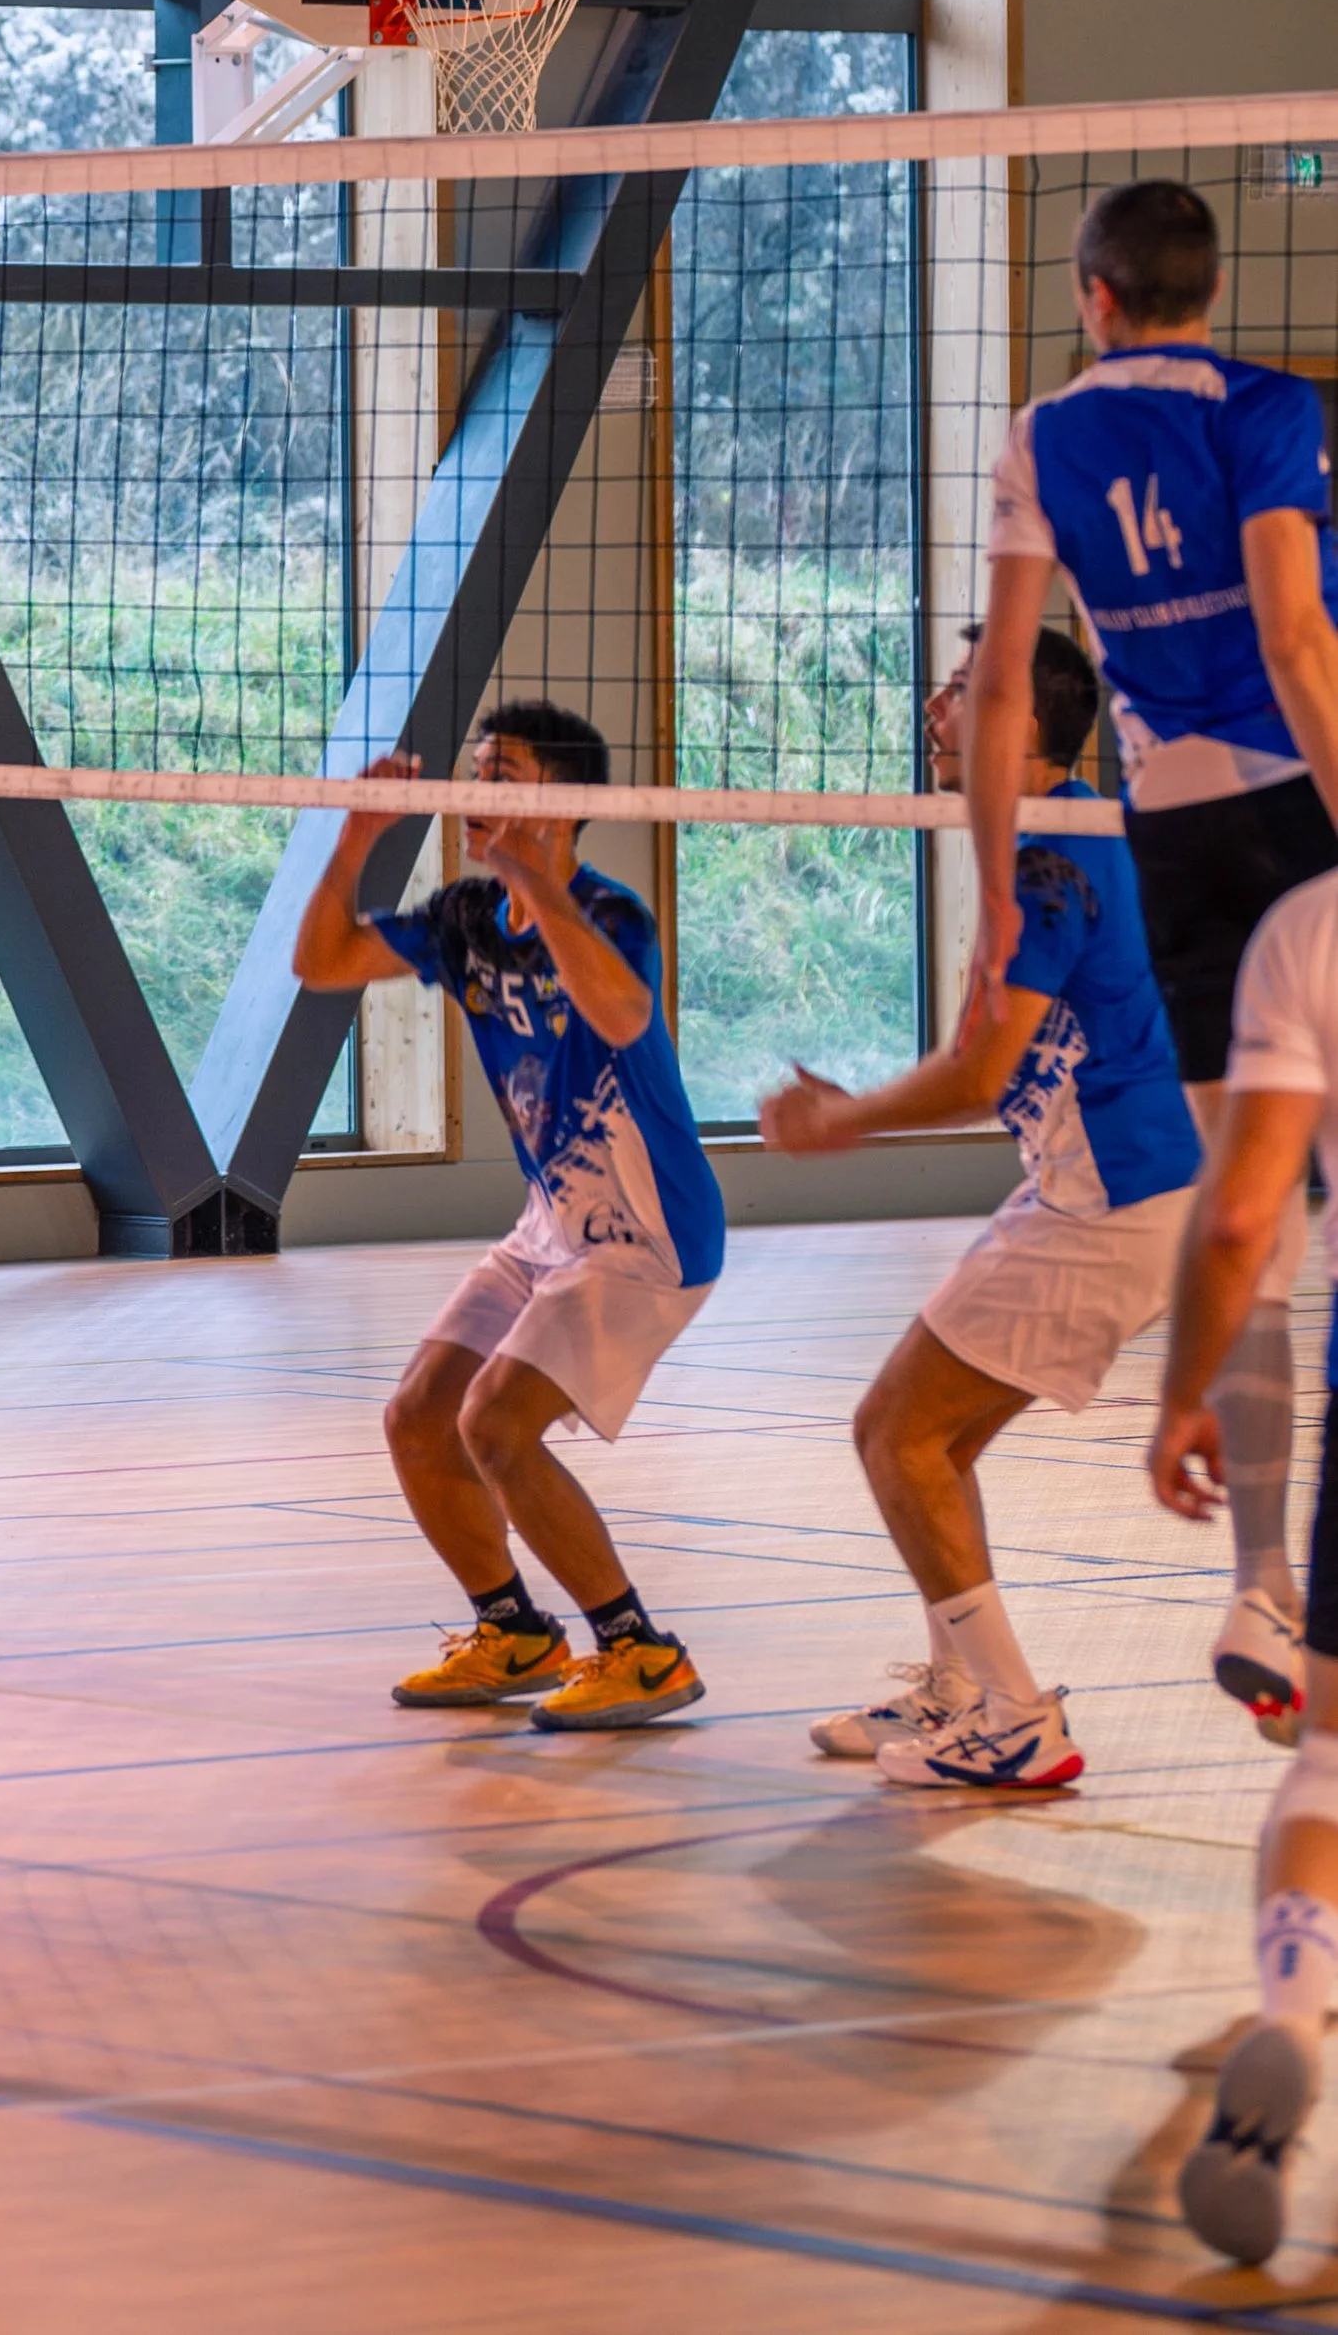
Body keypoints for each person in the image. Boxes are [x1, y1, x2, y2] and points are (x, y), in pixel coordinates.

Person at [969, 176, 1338, 1746]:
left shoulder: (1042, 435)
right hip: (1301, 806)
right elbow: (1295, 636)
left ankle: (1262, 1581)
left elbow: (1002, 687)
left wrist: (992, 900)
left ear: (1095, 295)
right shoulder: (1269, 408)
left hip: (1174, 838)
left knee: (1250, 1225)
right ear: (1213, 286)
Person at [765, 625, 1196, 1793]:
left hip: (1112, 1201)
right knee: (937, 1441)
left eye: (958, 690)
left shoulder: (1051, 865)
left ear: (1019, 721)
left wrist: (841, 1120)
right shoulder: (1056, 838)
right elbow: (994, 1067)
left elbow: (973, 1072)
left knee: (892, 1431)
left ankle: (1016, 1717)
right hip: (1088, 1186)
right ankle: (960, 1687)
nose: (932, 707)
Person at [293, 699, 723, 1730]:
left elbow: (621, 1014)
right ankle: (514, 1632)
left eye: (500, 774)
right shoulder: (465, 920)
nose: (472, 789)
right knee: (417, 1416)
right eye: (473, 768)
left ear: (562, 803)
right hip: (549, 1225)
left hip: (647, 1232)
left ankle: (640, 1650)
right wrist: (357, 836)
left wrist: (535, 878)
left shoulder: (613, 916)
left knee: (495, 1424)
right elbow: (322, 962)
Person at [1151, 871, 1338, 2259]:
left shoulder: (1305, 927)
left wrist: (1183, 1392)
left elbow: (1236, 1216)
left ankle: (1290, 2018)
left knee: (1328, 1762)